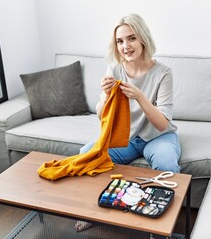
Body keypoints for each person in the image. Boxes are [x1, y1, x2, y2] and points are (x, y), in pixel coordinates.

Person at [74, 13, 181, 232]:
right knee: (87, 155)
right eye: (120, 41)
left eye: (131, 38)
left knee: (167, 166)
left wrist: (140, 96)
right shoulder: (115, 69)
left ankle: (158, 227)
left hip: (158, 137)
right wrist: (104, 96)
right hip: (126, 138)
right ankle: (93, 211)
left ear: (143, 38)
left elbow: (162, 123)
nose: (126, 46)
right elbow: (101, 115)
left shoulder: (163, 73)